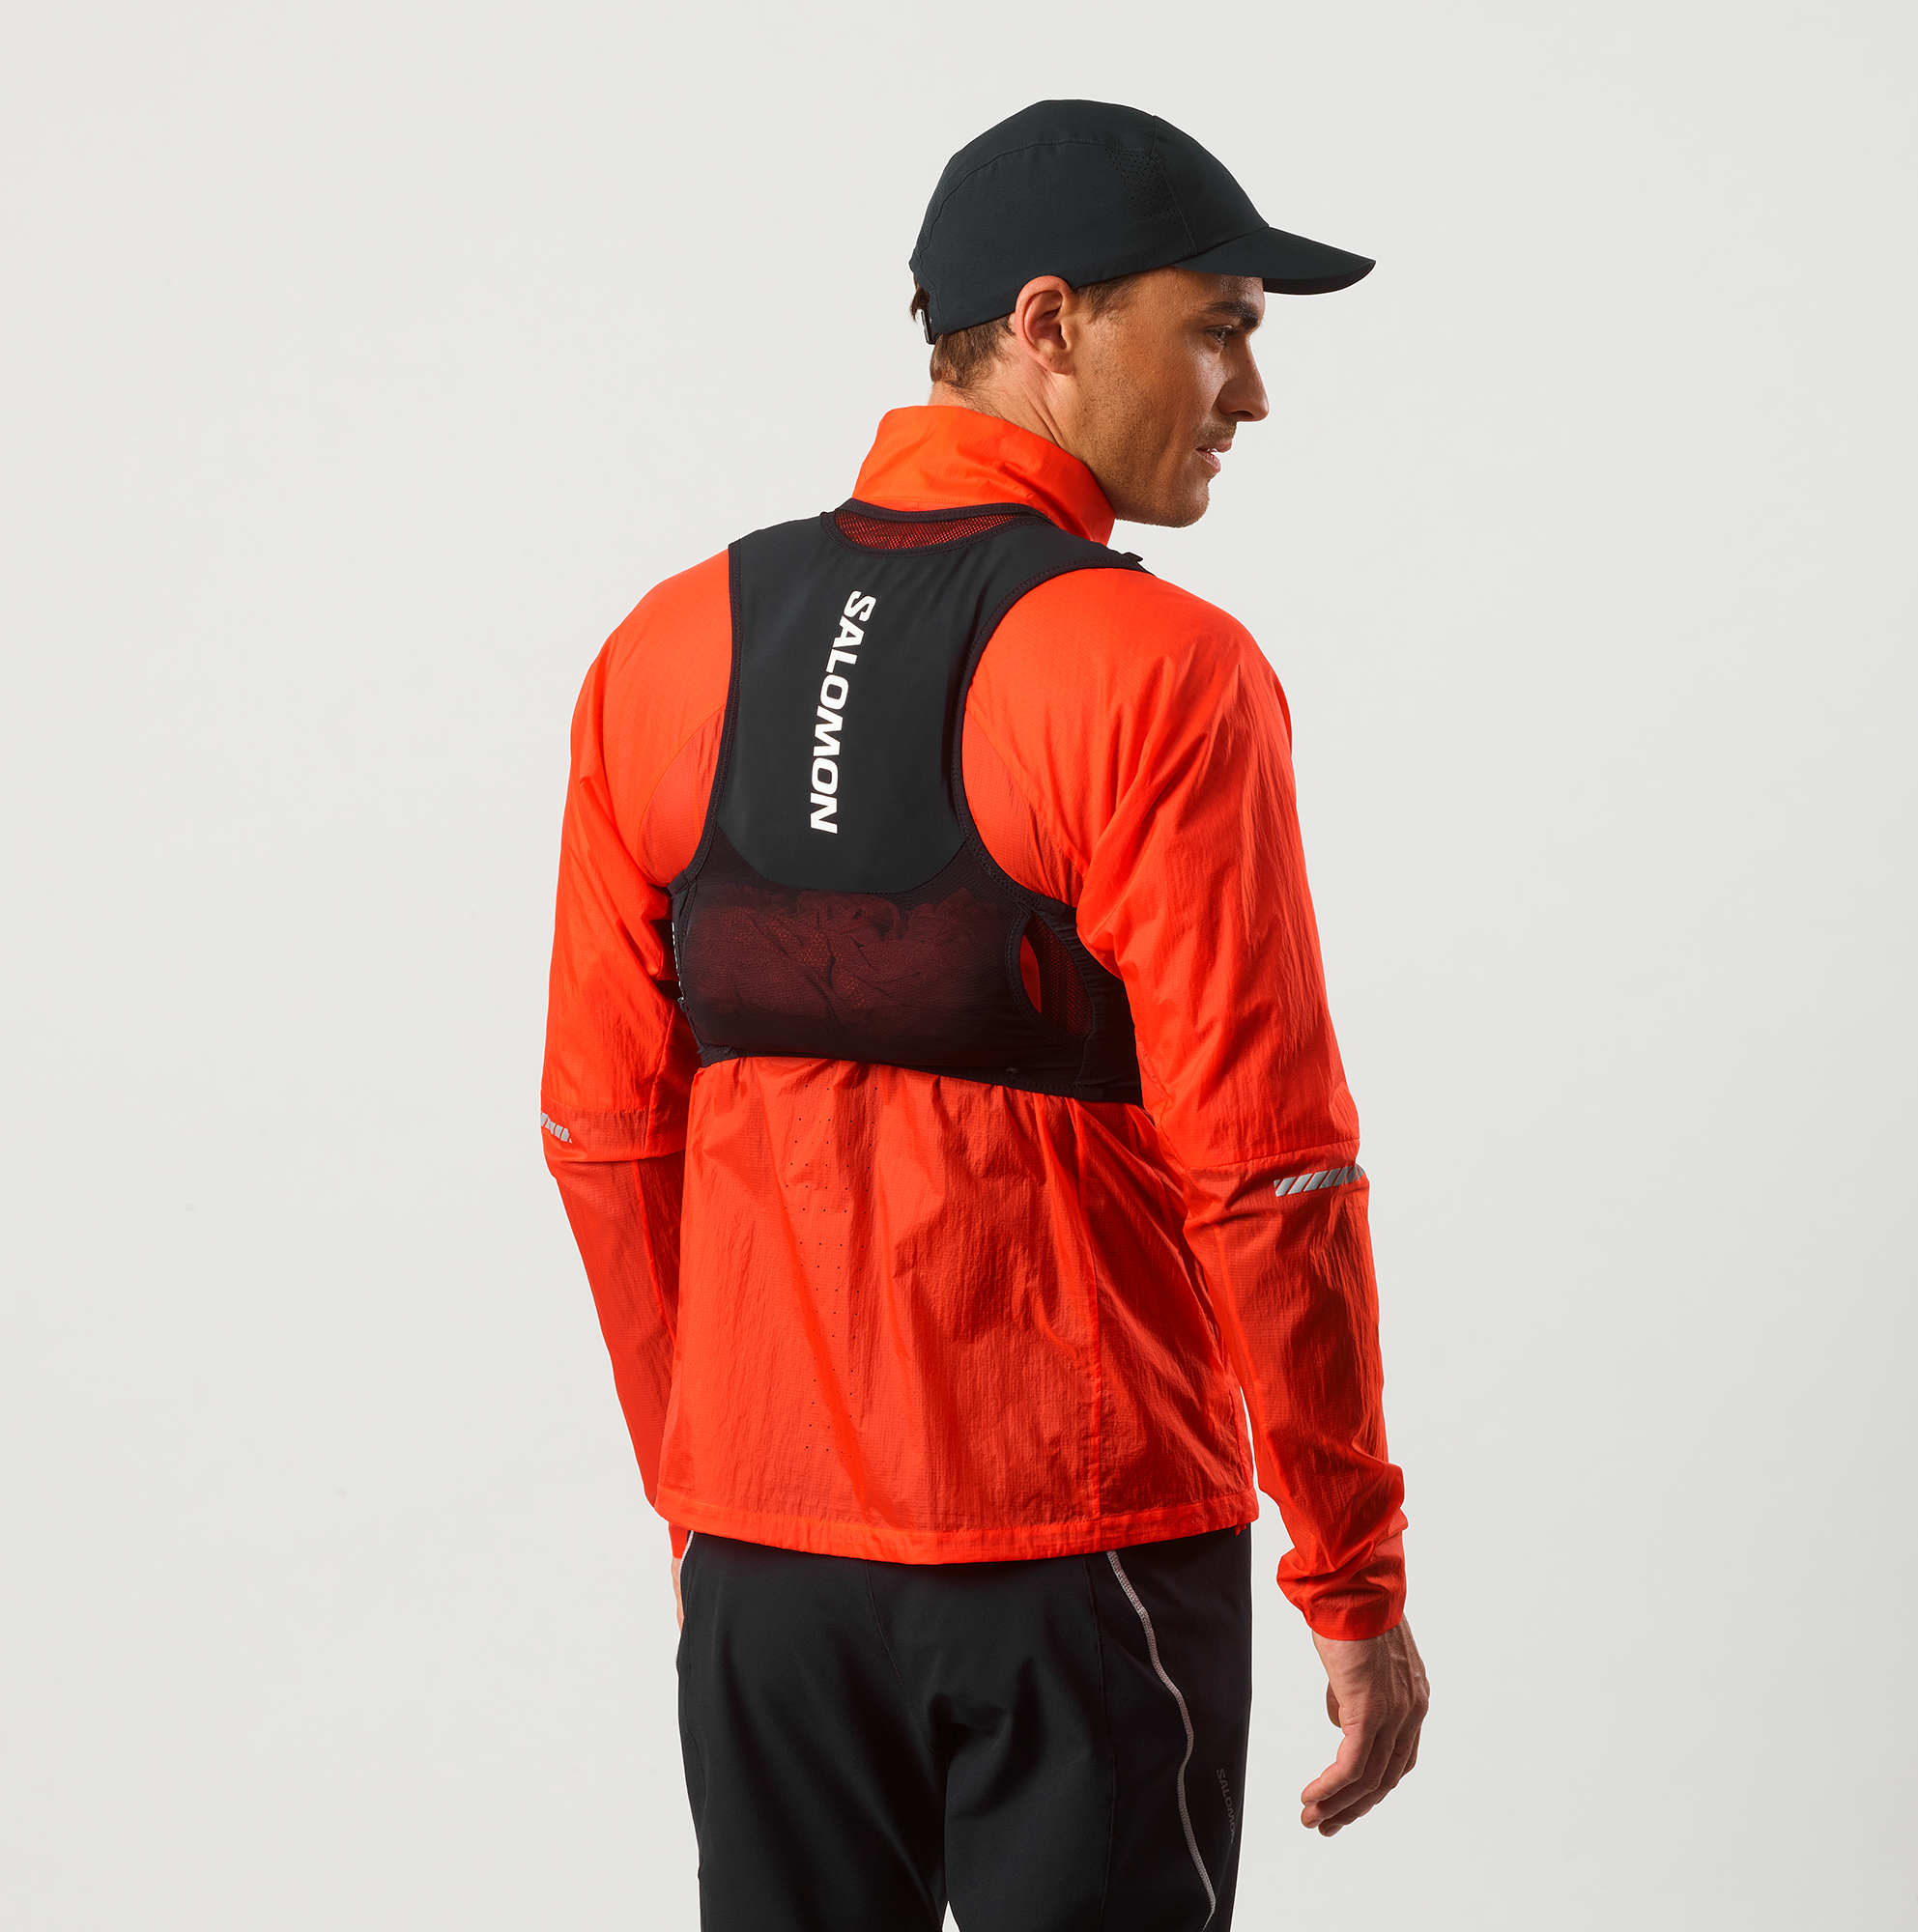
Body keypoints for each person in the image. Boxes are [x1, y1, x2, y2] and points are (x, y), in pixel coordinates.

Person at [541, 99, 1427, 1931]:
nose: (1253, 395)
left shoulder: (663, 648)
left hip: (766, 1568)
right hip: (1078, 1545)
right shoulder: (1158, 670)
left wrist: (704, 1499)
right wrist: (1350, 1575)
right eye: (1222, 328)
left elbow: (605, 1137)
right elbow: (1270, 1173)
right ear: (1049, 322)